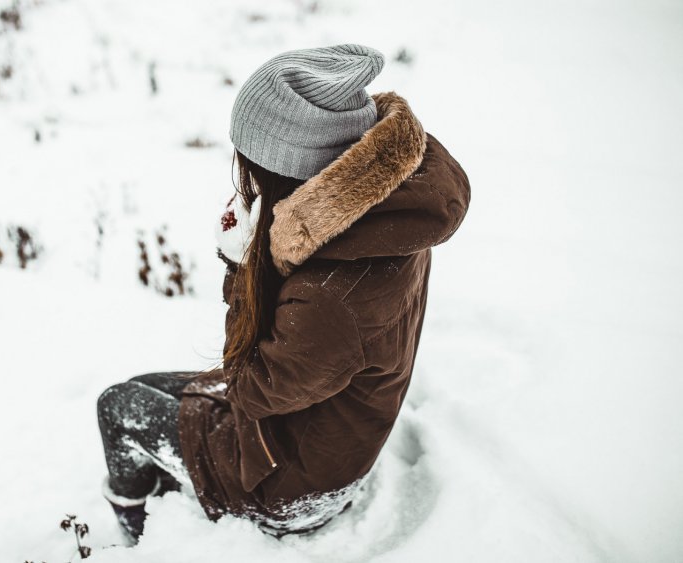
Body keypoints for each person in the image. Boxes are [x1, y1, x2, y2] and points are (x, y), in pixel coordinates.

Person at [96, 43, 471, 543]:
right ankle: (170, 483)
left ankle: (136, 537)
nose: (239, 173)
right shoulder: (383, 219)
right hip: (313, 431)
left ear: (287, 171)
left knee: (118, 406)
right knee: (144, 386)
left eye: (248, 160)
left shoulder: (333, 294)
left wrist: (240, 264)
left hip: (290, 484)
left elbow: (250, 390)